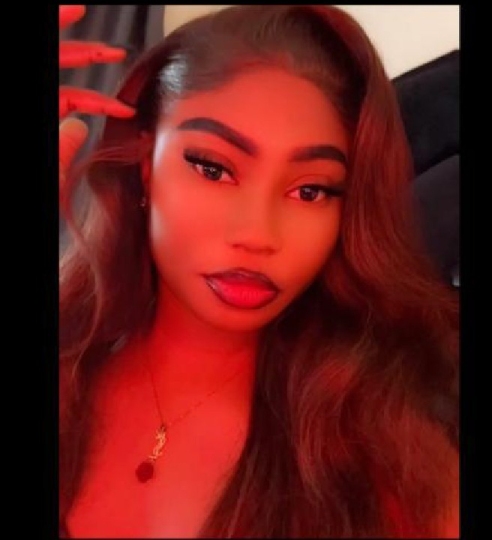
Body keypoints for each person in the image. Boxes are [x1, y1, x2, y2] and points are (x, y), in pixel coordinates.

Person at [59, 5, 460, 538]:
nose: (257, 233)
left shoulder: (391, 457)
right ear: (144, 163)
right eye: (213, 168)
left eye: (310, 191)